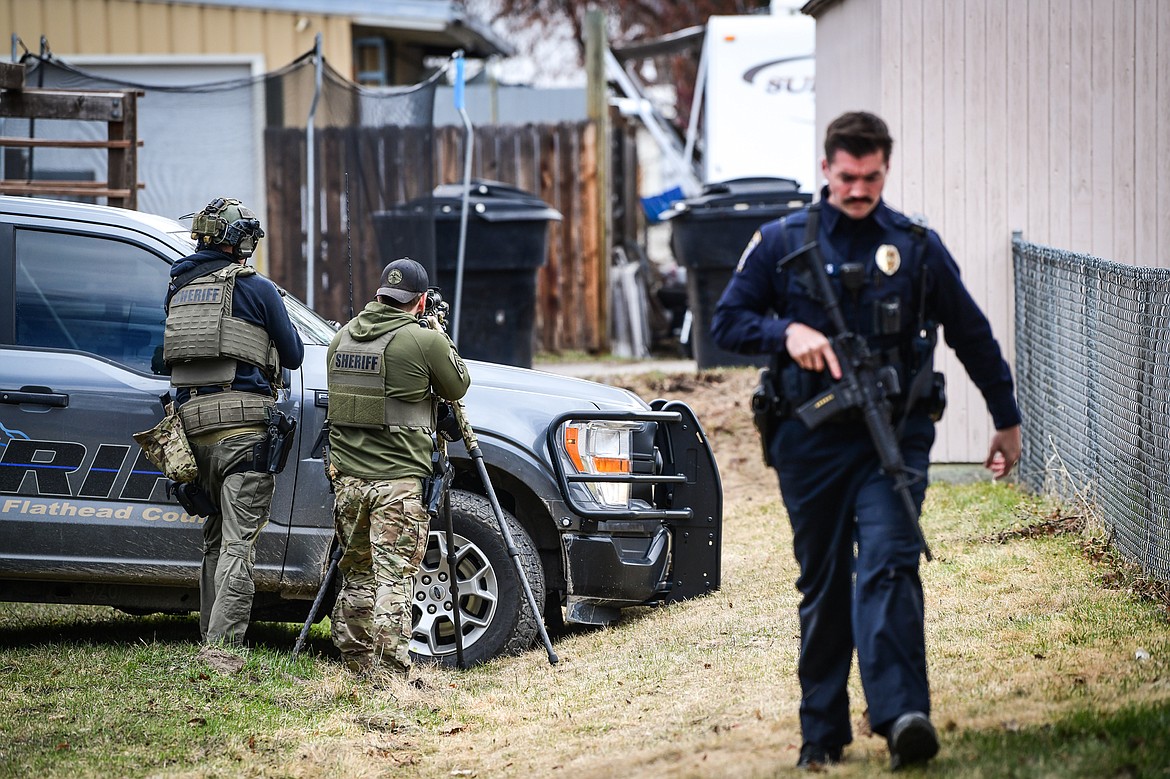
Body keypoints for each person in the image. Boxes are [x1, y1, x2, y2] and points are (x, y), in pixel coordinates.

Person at [711, 112, 1022, 771]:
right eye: (847, 176)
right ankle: (820, 735)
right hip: (809, 441)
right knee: (824, 583)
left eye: (872, 176)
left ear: (886, 167)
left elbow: (972, 333)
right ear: (825, 168)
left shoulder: (914, 245)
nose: (859, 189)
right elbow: (727, 322)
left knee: (889, 562)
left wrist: (1006, 416)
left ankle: (904, 715)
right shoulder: (778, 242)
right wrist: (785, 334)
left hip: (894, 440)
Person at [163, 197, 305, 648]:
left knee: (213, 534)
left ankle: (209, 632)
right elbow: (296, 355)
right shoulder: (256, 288)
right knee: (238, 540)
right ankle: (223, 650)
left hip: (189, 432)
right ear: (237, 238)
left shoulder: (177, 290)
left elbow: (162, 358)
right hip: (243, 429)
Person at [325, 258, 471, 676]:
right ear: (421, 300)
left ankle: (354, 665)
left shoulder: (342, 338)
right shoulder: (423, 341)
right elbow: (457, 385)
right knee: (394, 581)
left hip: (349, 482)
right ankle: (390, 673)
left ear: (379, 295)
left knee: (357, 575)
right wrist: (438, 334)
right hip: (398, 486)